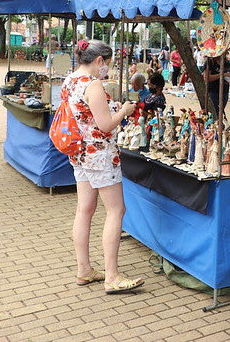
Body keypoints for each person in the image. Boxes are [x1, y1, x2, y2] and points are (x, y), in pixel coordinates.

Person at [62, 39, 143, 294]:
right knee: (116, 211)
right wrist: (125, 111)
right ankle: (112, 275)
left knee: (84, 210)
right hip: (99, 154)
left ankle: (84, 269)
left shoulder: (70, 80)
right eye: (107, 64)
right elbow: (106, 124)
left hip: (79, 153)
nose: (107, 68)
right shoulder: (93, 84)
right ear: (99, 61)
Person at [204, 48, 230, 117]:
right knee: (215, 111)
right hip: (213, 90)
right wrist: (222, 75)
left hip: (225, 90)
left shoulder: (226, 62)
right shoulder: (210, 62)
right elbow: (206, 78)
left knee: (221, 110)